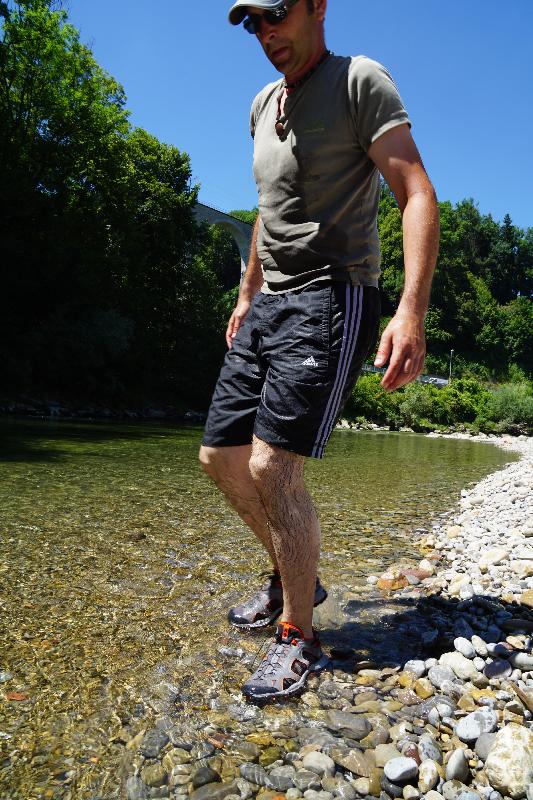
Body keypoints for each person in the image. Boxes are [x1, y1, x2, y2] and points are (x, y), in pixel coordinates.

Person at [199, 0, 439, 701]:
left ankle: (298, 638)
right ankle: (292, 578)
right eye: (253, 24)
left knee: (275, 465)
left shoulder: (360, 81)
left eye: (275, 13)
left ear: (317, 6)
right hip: (268, 303)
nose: (266, 32)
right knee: (220, 457)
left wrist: (411, 311)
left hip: (333, 294)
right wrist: (245, 294)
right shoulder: (261, 105)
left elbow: (415, 191)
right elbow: (266, 212)